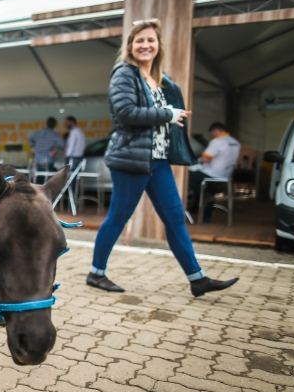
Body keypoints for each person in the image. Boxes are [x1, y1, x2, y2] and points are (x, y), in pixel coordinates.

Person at [87, 20, 238, 297]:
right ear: (130, 46)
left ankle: (197, 278)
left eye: (151, 40)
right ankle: (96, 273)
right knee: (118, 218)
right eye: (140, 40)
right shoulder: (124, 74)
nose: (145, 45)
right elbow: (125, 113)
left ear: (158, 46)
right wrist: (168, 114)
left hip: (158, 161)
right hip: (131, 159)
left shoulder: (160, 80)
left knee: (175, 218)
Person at [188, 122, 241, 222]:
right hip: (225, 175)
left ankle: (205, 197)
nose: (212, 136)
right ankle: (206, 217)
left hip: (211, 173)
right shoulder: (235, 142)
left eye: (212, 134)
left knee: (188, 177)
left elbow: (204, 159)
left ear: (215, 131)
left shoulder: (217, 142)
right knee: (208, 189)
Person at [64, 116, 86, 194]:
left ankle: (71, 198)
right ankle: (76, 197)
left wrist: (67, 155)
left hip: (72, 158)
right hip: (79, 157)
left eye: (67, 122)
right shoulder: (80, 131)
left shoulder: (74, 132)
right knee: (76, 179)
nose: (66, 124)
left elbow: (71, 146)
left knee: (71, 179)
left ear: (71, 122)